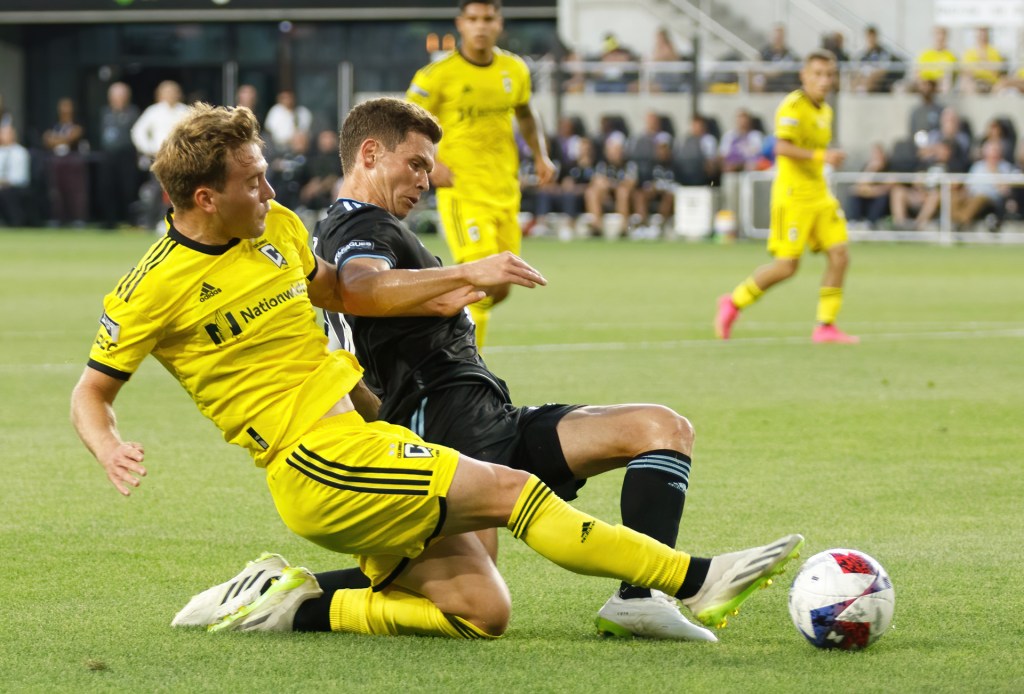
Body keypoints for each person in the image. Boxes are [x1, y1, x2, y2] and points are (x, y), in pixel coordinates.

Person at [71, 101, 804, 640]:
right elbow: (91, 393)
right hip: (311, 460)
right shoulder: (150, 289)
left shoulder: (280, 232)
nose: (270, 192)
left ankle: (289, 603)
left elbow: (338, 294)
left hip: (368, 438)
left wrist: (439, 299)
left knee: (483, 612)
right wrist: (108, 445)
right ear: (205, 198)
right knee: (514, 493)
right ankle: (692, 579)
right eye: (254, 183)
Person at [306, 96, 786, 641]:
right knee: (469, 599)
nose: (427, 179)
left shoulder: (366, 228)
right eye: (416, 164)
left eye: (428, 167)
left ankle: (639, 600)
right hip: (438, 432)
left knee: (662, 428)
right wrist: (467, 271)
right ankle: (288, 597)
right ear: (370, 154)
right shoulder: (359, 225)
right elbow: (360, 287)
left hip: (489, 419)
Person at [406, 0, 556, 349]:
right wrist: (430, 162)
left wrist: (541, 155)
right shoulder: (436, 75)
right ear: (460, 23)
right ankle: (468, 369)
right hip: (463, 193)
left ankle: (426, 320)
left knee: (501, 285)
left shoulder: (514, 69)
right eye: (473, 19)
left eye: (488, 18)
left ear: (499, 23)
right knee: (480, 286)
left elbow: (525, 113)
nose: (481, 26)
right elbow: (406, 122)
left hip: (504, 191)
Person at [715, 50, 858, 344]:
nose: (824, 80)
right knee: (786, 267)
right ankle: (734, 302)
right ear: (804, 76)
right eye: (817, 74)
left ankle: (825, 326)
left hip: (819, 195)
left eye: (829, 75)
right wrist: (822, 156)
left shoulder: (825, 111)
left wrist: (824, 159)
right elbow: (779, 148)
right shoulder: (793, 106)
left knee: (840, 255)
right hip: (792, 198)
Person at [131, 80, 189, 230]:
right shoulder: (153, 111)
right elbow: (138, 132)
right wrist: (149, 148)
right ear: (160, 94)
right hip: (159, 158)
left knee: (180, 190)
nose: (170, 95)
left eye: (173, 92)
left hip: (180, 158)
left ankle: (177, 222)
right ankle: (153, 221)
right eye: (166, 92)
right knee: (157, 190)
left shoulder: (185, 111)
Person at [97, 82, 140, 229]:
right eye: (115, 95)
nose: (118, 99)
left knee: (128, 187)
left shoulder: (133, 112)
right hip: (108, 155)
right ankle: (109, 220)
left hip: (127, 155)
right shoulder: (105, 112)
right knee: (107, 187)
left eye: (122, 95)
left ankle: (129, 219)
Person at [43, 97, 88, 227]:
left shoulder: (77, 124)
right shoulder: (55, 125)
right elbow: (47, 139)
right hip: (57, 161)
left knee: (75, 192)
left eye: (67, 107)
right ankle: (58, 218)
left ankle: (78, 218)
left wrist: (56, 139)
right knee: (56, 192)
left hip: (72, 161)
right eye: (62, 107)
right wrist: (62, 139)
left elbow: (73, 137)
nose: (65, 110)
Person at [0, 123, 31, 227]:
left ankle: (15, 223)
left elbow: (20, 177)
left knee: (7, 193)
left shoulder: (20, 152)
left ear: (13, 135)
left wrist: (4, 182)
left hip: (16, 187)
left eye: (6, 133)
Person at [961, 27, 1005, 94]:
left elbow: (995, 72)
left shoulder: (994, 52)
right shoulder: (969, 52)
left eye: (984, 33)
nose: (982, 36)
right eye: (980, 34)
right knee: (966, 81)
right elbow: (966, 70)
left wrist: (982, 61)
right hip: (975, 81)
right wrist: (984, 65)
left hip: (991, 82)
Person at [914, 26, 957, 92]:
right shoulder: (925, 54)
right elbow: (917, 72)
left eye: (942, 35)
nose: (939, 37)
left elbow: (950, 75)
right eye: (937, 34)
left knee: (945, 81)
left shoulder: (951, 55)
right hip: (925, 83)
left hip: (940, 83)